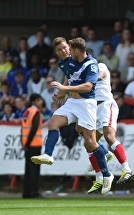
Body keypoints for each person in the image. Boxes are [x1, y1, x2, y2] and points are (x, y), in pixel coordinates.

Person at [30, 37, 114, 194]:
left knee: (90, 141)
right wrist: (61, 92)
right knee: (52, 123)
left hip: (86, 104)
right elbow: (70, 78)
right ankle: (48, 155)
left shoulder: (90, 64)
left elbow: (89, 86)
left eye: (65, 48)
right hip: (71, 103)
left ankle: (107, 174)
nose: (64, 51)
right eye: (60, 49)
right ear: (56, 52)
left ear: (71, 48)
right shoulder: (64, 62)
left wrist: (64, 88)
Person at [86, 62, 134, 194]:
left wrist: (82, 79)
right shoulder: (83, 70)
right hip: (94, 109)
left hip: (106, 105)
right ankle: (99, 177)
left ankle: (127, 169)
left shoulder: (99, 65)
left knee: (109, 136)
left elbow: (100, 76)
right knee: (88, 142)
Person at [21, 93, 44, 198]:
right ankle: (34, 192)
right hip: (34, 144)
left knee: (28, 169)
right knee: (34, 169)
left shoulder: (27, 112)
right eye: (38, 100)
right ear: (33, 101)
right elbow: (34, 129)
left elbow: (23, 129)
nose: (41, 102)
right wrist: (29, 143)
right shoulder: (36, 112)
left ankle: (26, 192)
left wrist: (25, 144)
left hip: (27, 144)